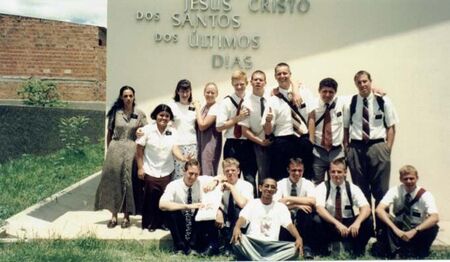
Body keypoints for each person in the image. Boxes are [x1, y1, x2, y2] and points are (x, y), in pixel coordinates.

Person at [343, 70, 399, 236]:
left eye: (365, 81)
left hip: (377, 146)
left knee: (381, 190)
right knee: (361, 190)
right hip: (356, 147)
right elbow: (346, 128)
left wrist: (387, 148)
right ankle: (367, 230)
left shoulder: (383, 100)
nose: (362, 85)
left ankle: (383, 230)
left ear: (370, 81)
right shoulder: (351, 102)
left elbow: (391, 127)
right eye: (359, 82)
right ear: (356, 84)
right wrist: (347, 149)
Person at [95, 85, 147, 228]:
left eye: (130, 96)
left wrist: (141, 135)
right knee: (114, 181)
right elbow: (109, 133)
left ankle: (126, 216)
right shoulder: (115, 113)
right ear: (121, 97)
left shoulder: (140, 114)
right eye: (125, 96)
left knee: (128, 182)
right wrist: (108, 150)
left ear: (134, 97)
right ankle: (113, 216)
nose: (128, 98)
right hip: (115, 150)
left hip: (132, 149)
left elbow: (145, 133)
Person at [135, 104, 191, 232]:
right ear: (156, 115)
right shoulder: (147, 130)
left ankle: (164, 223)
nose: (164, 118)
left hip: (166, 169)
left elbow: (174, 148)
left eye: (167, 116)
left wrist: (182, 158)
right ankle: (151, 224)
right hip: (150, 168)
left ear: (170, 118)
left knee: (164, 197)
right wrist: (140, 168)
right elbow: (139, 150)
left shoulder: (173, 131)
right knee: (150, 197)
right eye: (161, 115)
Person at [263, 62, 314, 181]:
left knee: (305, 177)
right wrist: (268, 121)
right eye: (279, 74)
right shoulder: (272, 99)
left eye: (285, 73)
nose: (282, 76)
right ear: (275, 77)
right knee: (280, 177)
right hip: (282, 142)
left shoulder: (304, 91)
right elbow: (268, 130)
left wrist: (311, 140)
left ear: (290, 74)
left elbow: (311, 115)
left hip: (302, 140)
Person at [231, 178, 304, 261]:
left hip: (272, 246)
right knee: (238, 241)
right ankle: (267, 259)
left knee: (295, 250)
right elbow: (243, 218)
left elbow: (289, 225)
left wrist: (298, 237)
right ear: (260, 188)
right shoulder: (253, 203)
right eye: (267, 186)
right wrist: (237, 227)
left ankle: (257, 259)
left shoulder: (281, 207)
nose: (269, 189)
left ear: (276, 191)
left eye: (273, 187)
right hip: (252, 243)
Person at [375, 165, 439, 259]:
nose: (409, 181)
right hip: (399, 226)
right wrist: (395, 229)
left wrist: (415, 231)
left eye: (411, 178)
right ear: (401, 179)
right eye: (406, 179)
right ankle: (395, 252)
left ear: (417, 178)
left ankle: (420, 251)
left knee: (433, 226)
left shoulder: (426, 195)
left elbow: (435, 217)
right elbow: (379, 209)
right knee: (385, 218)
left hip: (417, 228)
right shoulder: (395, 190)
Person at [159, 159, 219, 255]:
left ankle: (193, 246)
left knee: (203, 208)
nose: (193, 177)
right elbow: (162, 204)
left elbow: (222, 176)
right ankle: (179, 247)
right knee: (169, 211)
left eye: (196, 174)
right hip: (181, 221)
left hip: (196, 223)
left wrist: (215, 182)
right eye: (190, 173)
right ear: (184, 171)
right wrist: (187, 206)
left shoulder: (201, 180)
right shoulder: (174, 185)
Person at [314, 158, 372, 256]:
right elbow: (319, 208)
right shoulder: (322, 187)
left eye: (339, 172)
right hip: (330, 224)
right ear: (329, 172)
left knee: (368, 220)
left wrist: (357, 223)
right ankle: (323, 249)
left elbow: (366, 207)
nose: (336, 174)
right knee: (316, 220)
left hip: (348, 226)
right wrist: (337, 223)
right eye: (333, 171)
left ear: (345, 173)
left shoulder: (352, 188)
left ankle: (358, 250)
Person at [216, 70, 257, 193]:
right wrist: (237, 118)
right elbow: (219, 127)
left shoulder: (253, 99)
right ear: (232, 84)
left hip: (249, 143)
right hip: (232, 144)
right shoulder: (226, 102)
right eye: (236, 84)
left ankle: (251, 209)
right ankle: (231, 209)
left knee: (250, 178)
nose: (239, 87)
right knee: (231, 179)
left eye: (241, 84)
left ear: (246, 83)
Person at [273, 158, 316, 258]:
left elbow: (312, 201)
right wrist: (296, 205)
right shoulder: (280, 184)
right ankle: (286, 246)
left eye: (300, 170)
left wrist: (288, 198)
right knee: (284, 213)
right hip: (287, 216)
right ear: (288, 170)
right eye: (293, 170)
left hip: (303, 217)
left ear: (303, 170)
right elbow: (277, 204)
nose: (297, 173)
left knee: (305, 211)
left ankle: (306, 247)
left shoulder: (307, 183)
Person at [308, 78, 345, 185]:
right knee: (316, 183)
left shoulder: (341, 103)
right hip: (318, 152)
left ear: (335, 92)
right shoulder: (312, 104)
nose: (327, 95)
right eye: (324, 91)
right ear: (319, 91)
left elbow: (361, 93)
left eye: (331, 92)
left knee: (337, 183)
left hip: (336, 152)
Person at [213, 158, 253, 255]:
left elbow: (242, 204)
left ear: (238, 171)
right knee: (211, 212)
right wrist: (217, 211)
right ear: (224, 172)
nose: (230, 173)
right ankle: (213, 246)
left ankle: (231, 245)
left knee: (237, 209)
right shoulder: (220, 184)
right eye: (227, 171)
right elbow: (212, 201)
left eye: (233, 170)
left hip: (241, 219)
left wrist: (231, 187)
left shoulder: (246, 185)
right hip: (225, 217)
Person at [239, 70, 271, 190]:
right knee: (253, 178)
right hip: (255, 144)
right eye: (255, 80)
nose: (258, 82)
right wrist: (260, 142)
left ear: (265, 82)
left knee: (268, 177)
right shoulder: (247, 103)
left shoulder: (271, 98)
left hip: (272, 143)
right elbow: (244, 130)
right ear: (251, 82)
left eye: (261, 80)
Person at [169, 79, 198, 180]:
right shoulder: (172, 106)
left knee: (191, 174)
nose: (185, 94)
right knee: (179, 175)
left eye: (187, 91)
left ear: (190, 92)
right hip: (177, 145)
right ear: (178, 91)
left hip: (192, 145)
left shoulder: (194, 106)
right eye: (182, 91)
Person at [193, 82, 222, 177]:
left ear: (217, 94)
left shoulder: (216, 108)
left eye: (212, 93)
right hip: (201, 144)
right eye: (208, 92)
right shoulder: (204, 108)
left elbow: (202, 125)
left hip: (210, 145)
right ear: (204, 93)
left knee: (208, 171)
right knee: (200, 171)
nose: (209, 95)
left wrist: (197, 108)